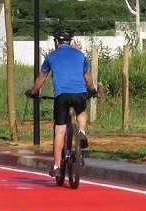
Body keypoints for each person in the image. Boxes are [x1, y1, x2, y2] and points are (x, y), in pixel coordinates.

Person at [27, 28, 97, 178]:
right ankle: (82, 132)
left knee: (59, 131)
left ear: (56, 42)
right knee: (82, 112)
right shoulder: (80, 54)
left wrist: (33, 92)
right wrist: (92, 90)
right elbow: (87, 76)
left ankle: (57, 166)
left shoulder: (51, 56)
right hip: (79, 93)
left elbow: (42, 78)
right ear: (69, 41)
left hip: (62, 95)